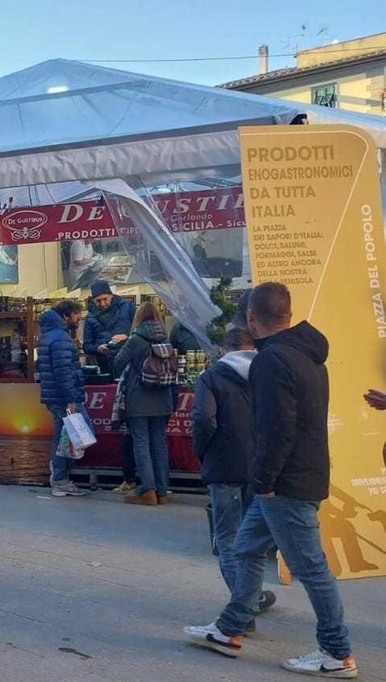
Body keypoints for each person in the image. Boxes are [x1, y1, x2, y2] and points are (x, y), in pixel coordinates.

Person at [184, 282, 357, 678]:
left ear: (250, 317)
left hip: (284, 482)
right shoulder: (307, 354)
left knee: (310, 566)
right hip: (297, 474)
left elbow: (277, 428)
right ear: (287, 313)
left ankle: (337, 651)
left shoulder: (274, 359)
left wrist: (263, 479)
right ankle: (229, 629)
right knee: (246, 548)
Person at [191, 327, 278, 618]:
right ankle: (252, 596)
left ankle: (245, 604)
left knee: (227, 537)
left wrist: (203, 451)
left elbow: (204, 419)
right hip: (258, 464)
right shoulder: (266, 374)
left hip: (223, 463)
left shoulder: (212, 377)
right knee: (251, 537)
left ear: (222, 350)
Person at [111, 302, 175, 506]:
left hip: (139, 399)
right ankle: (162, 491)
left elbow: (117, 364)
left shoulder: (136, 339)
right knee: (159, 444)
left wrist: (119, 346)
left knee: (141, 443)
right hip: (163, 398)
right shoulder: (166, 338)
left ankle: (148, 490)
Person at [35, 300, 87, 498]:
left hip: (53, 397)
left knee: (63, 437)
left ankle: (59, 477)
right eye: (76, 314)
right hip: (64, 397)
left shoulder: (48, 336)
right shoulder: (62, 338)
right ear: (67, 315)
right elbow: (64, 372)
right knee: (78, 436)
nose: (79, 318)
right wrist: (71, 399)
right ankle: (60, 477)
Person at [82, 282, 134, 377]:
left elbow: (140, 330)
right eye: (98, 301)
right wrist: (98, 349)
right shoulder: (90, 318)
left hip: (129, 363)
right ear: (93, 300)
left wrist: (127, 336)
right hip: (105, 366)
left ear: (111, 296)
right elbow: (86, 346)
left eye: (105, 299)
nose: (102, 303)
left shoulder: (127, 307)